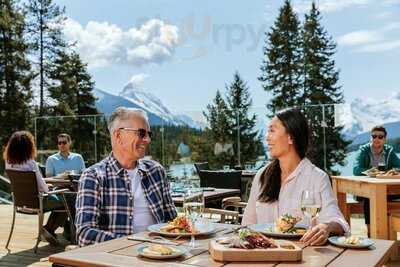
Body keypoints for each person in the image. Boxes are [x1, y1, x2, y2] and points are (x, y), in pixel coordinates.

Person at [242, 108, 349, 245]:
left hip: (303, 255)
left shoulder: (317, 178)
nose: (267, 137)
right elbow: (248, 224)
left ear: (291, 137)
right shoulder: (262, 176)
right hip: (264, 254)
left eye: (272, 131)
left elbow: (338, 221)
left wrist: (326, 227)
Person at [75, 107, 177, 246]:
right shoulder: (94, 177)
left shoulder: (156, 171)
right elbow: (85, 235)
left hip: (162, 254)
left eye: (149, 134)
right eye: (141, 133)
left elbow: (173, 222)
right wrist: (136, 243)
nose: (147, 140)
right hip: (117, 259)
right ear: (118, 136)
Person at [3, 131, 67, 245]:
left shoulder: (8, 163)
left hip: (20, 203)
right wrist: (50, 187)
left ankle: (51, 230)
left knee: (63, 199)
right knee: (67, 199)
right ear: (28, 147)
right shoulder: (31, 163)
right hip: (38, 202)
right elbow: (44, 189)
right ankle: (53, 229)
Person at [353, 125, 400, 233]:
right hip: (364, 190)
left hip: (385, 190)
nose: (376, 139)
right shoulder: (364, 150)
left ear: (385, 139)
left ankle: (394, 227)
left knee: (378, 195)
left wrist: (393, 171)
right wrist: (373, 171)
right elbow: (356, 169)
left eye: (380, 137)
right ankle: (370, 232)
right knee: (370, 197)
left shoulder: (389, 151)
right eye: (374, 136)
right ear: (371, 137)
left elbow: (399, 166)